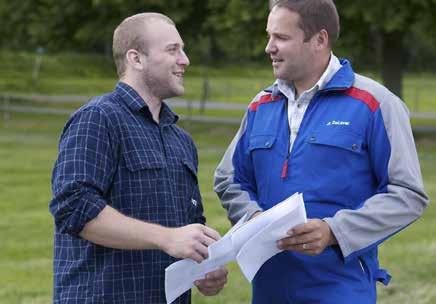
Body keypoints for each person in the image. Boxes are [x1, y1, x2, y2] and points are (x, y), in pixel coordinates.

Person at [214, 0, 429, 303]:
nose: (269, 47)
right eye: (268, 36)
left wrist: (333, 231)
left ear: (319, 40)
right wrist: (254, 218)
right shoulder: (260, 105)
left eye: (281, 38)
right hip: (268, 289)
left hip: (341, 288)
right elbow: (229, 179)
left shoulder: (375, 104)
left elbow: (407, 194)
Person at [50, 12, 227, 304]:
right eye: (173, 50)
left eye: (182, 50)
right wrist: (167, 238)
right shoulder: (99, 118)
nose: (185, 60)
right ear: (136, 59)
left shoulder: (181, 140)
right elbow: (74, 208)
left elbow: (188, 229)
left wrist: (206, 265)